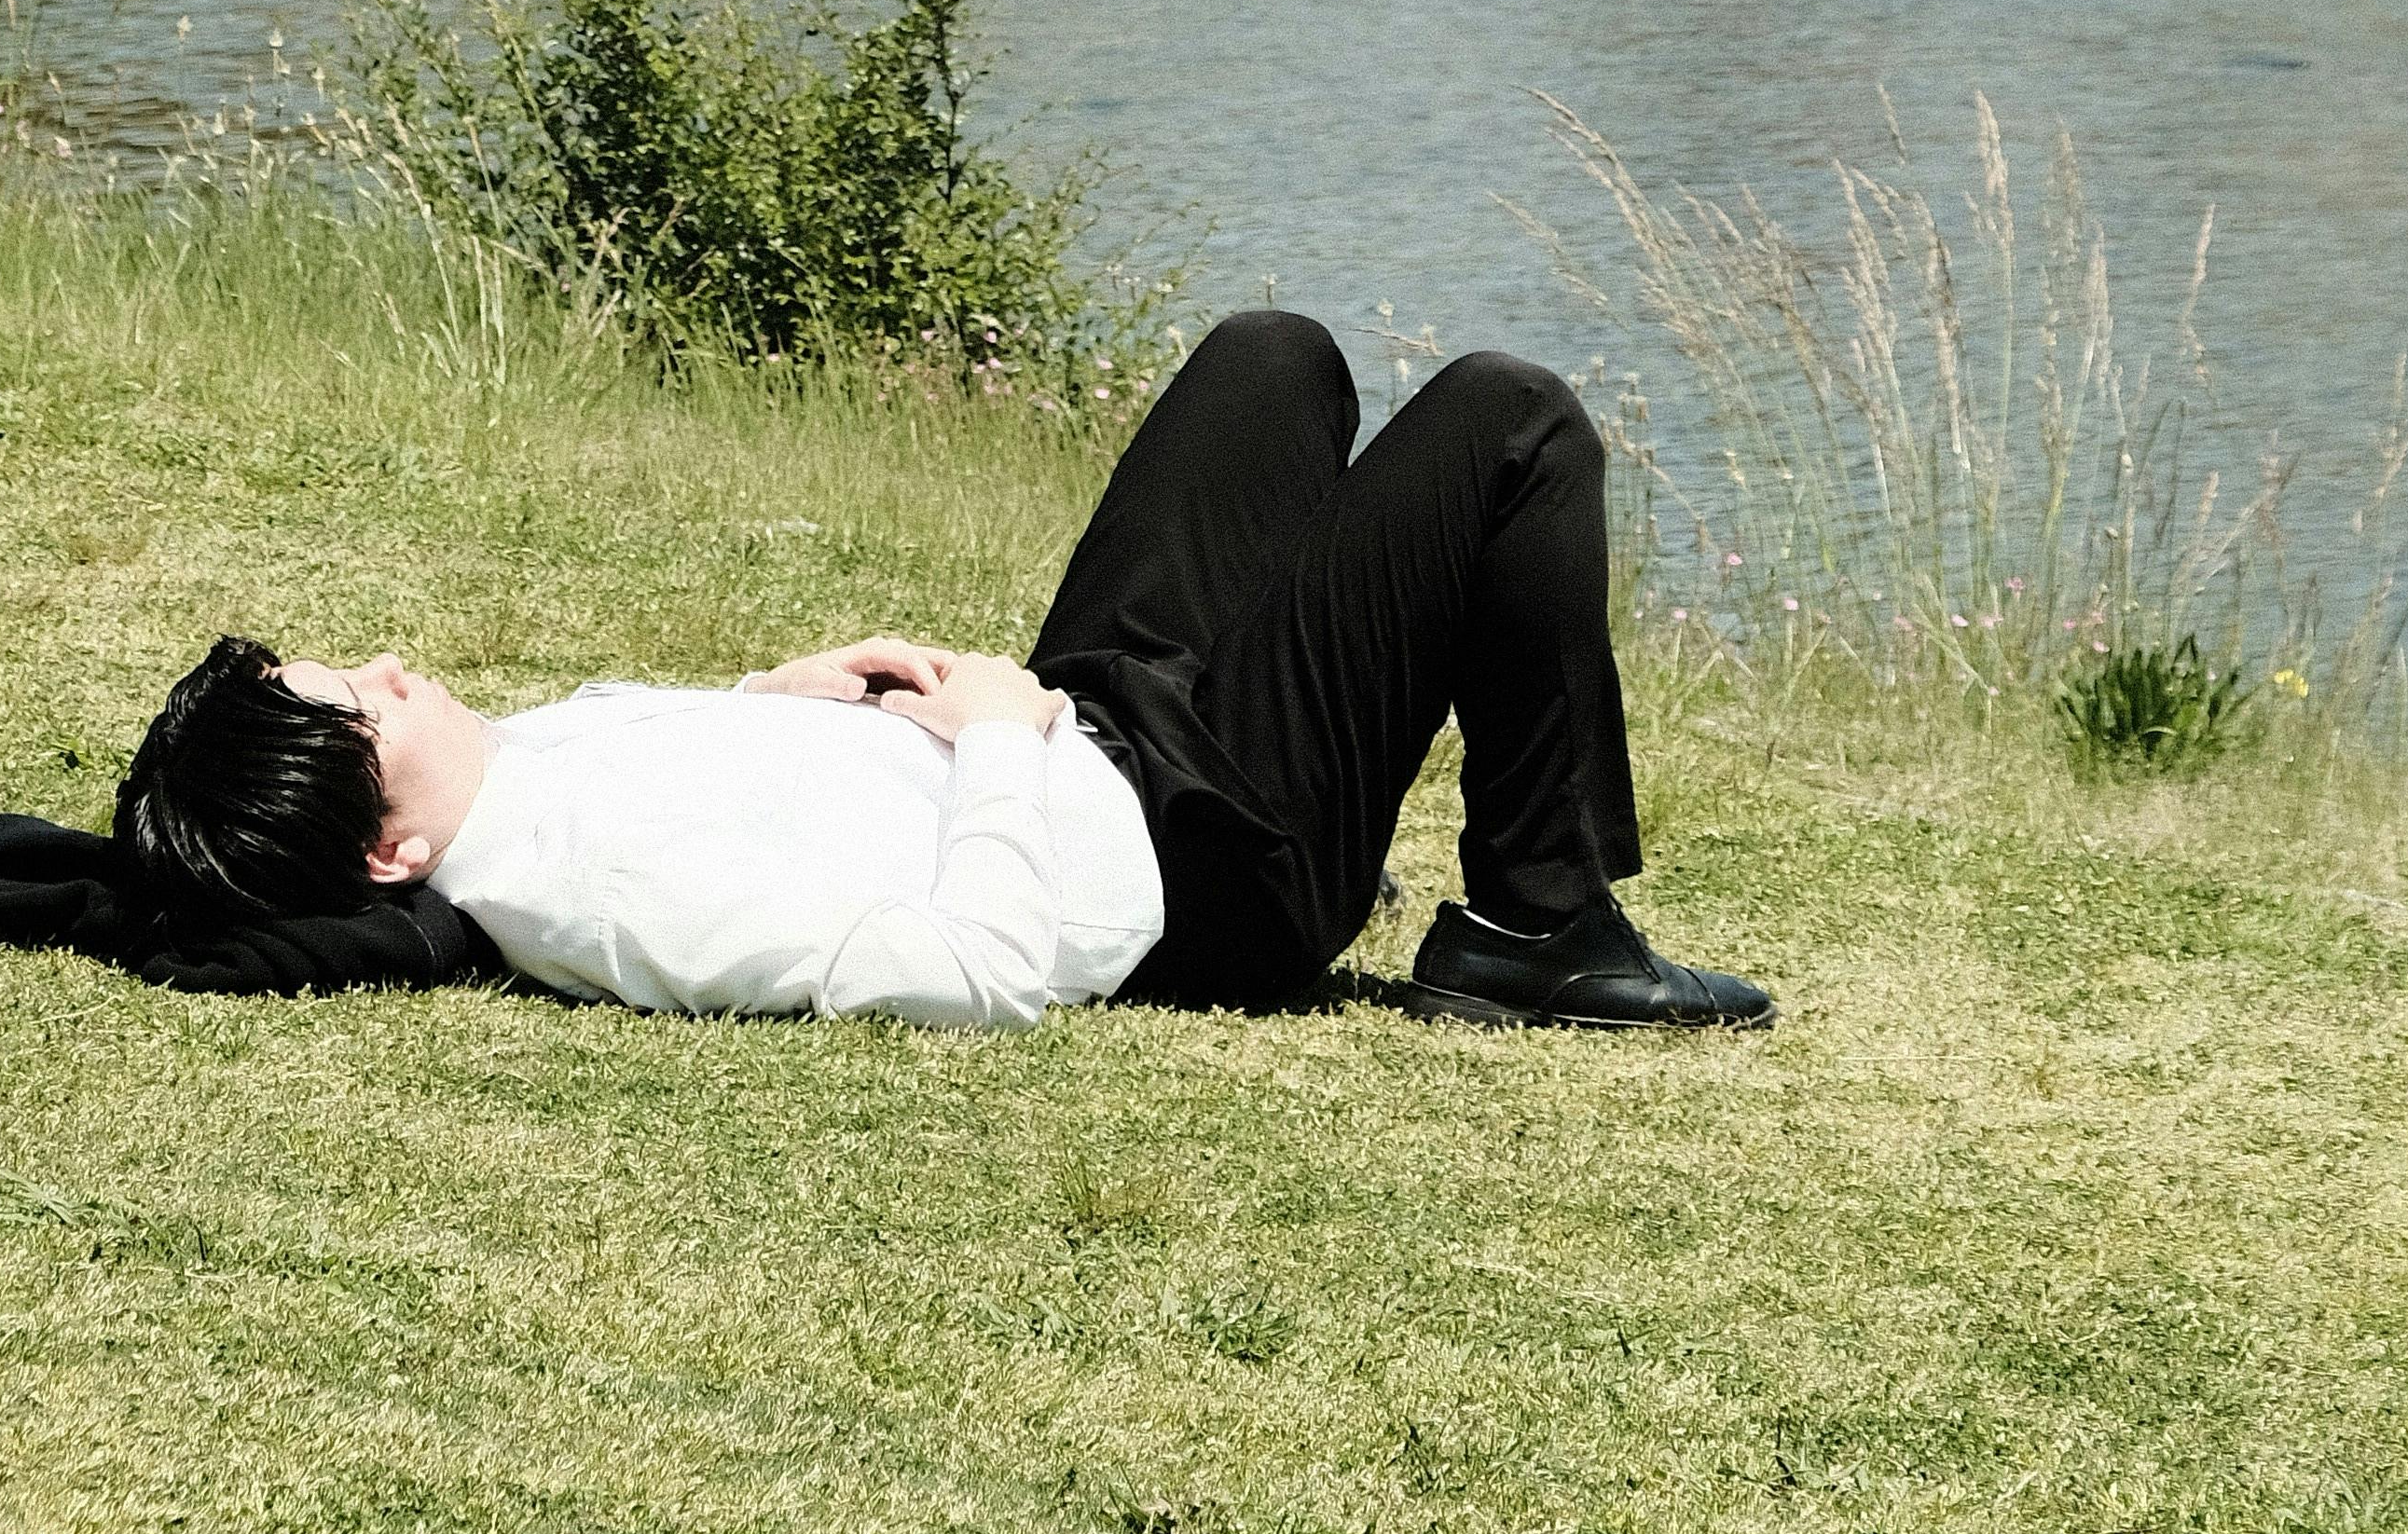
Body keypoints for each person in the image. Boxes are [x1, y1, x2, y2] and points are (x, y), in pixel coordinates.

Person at [115, 314, 1774, 1036]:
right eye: (363, 702)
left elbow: (712, 787)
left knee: (1274, 362)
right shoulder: (611, 908)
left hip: (1091, 739)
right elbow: (971, 970)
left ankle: (1537, 919)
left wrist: (782, 694)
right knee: (1511, 416)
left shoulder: (524, 781)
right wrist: (989, 748)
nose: (393, 669)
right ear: (390, 853)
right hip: (1205, 865)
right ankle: (1542, 930)